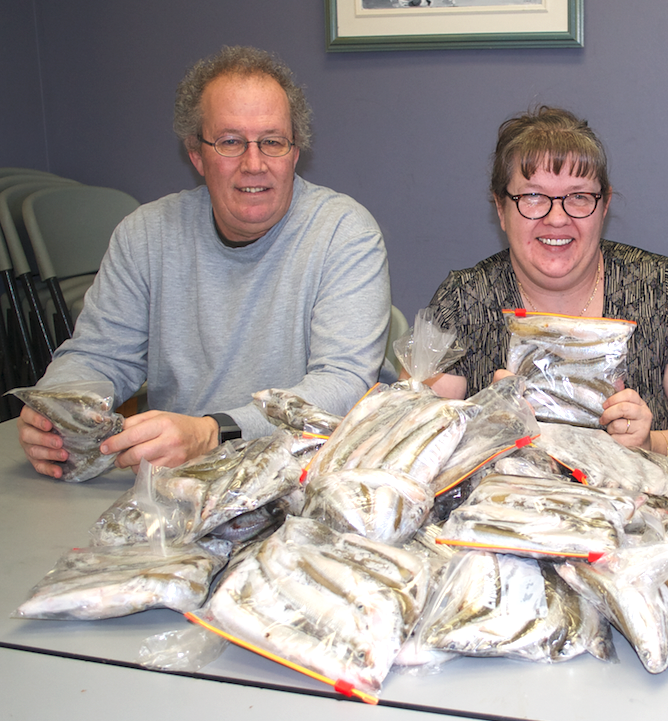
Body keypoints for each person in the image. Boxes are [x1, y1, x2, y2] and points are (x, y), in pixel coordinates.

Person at [18, 45, 391, 477]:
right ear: (197, 155)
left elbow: (344, 386)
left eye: (272, 142)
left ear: (294, 153)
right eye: (230, 142)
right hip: (172, 487)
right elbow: (98, 356)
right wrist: (57, 411)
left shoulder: (343, 232)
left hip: (302, 478)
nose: (254, 164)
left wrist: (215, 432)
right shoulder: (146, 234)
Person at [425, 106, 668, 458]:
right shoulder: (463, 301)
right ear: (500, 208)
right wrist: (483, 431)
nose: (557, 218)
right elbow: (412, 442)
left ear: (604, 206)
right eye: (533, 197)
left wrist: (652, 443)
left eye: (578, 197)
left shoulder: (662, 290)